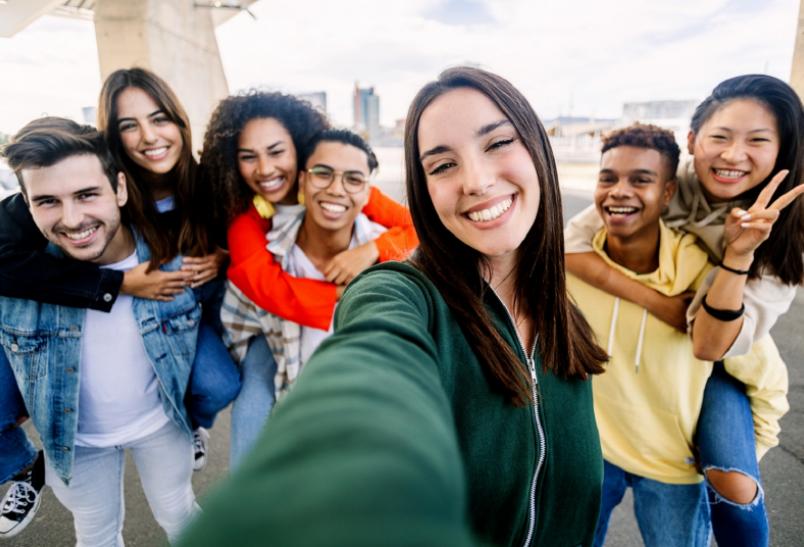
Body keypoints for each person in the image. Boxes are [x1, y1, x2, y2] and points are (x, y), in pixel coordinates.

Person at [179, 66, 607, 547]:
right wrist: (364, 287)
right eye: (443, 164)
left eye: (498, 143)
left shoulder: (564, 317)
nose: (476, 180)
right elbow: (359, 335)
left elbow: (405, 224)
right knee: (241, 396)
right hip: (266, 334)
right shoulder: (255, 230)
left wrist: (371, 251)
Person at [565, 74, 804, 547]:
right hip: (671, 331)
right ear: (694, 140)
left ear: (783, 151)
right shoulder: (664, 178)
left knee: (734, 488)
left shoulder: (788, 237)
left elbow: (711, 344)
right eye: (721, 137)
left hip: (725, 359)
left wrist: (739, 255)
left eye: (757, 141)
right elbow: (570, 245)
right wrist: (659, 303)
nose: (733, 156)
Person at [1, 117, 199, 545]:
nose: (72, 220)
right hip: (75, 443)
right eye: (48, 201)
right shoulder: (14, 282)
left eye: (87, 194)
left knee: (180, 514)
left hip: (161, 425)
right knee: (96, 536)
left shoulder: (174, 258)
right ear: (26, 204)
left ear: (121, 189)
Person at [200, 90, 418, 465]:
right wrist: (353, 292)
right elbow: (275, 295)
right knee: (255, 388)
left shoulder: (336, 186)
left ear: (300, 152)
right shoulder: (247, 222)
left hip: (315, 314)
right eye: (248, 157)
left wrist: (370, 251)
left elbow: (414, 226)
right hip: (262, 321)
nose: (265, 169)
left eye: (276, 151)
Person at [222, 129, 386, 402]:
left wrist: (375, 249)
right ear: (302, 181)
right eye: (323, 173)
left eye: (354, 179)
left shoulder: (396, 260)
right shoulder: (265, 253)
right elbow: (235, 330)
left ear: (369, 193)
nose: (336, 189)